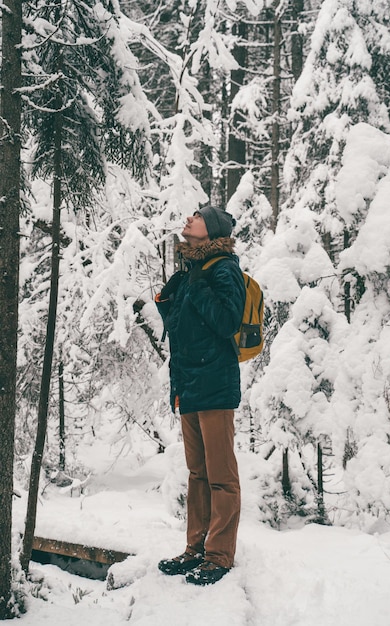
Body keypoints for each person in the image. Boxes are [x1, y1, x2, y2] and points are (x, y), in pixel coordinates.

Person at [155, 205, 246, 586]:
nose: (188, 218)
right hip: (191, 386)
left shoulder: (224, 269)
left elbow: (227, 321)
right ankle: (195, 549)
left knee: (221, 477)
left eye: (197, 216)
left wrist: (197, 286)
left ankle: (219, 555)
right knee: (197, 474)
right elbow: (183, 333)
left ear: (212, 231)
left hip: (216, 386)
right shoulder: (191, 272)